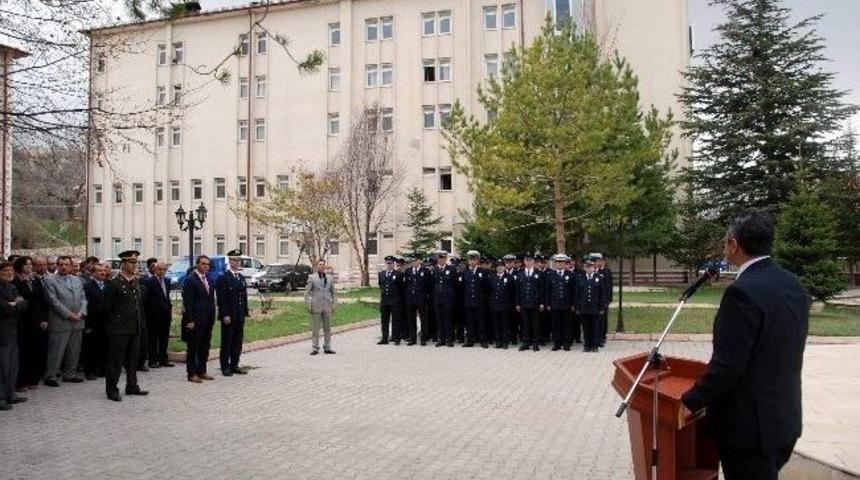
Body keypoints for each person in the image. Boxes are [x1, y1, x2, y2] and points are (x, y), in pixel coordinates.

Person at [682, 209, 809, 480]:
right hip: (784, 422)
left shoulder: (741, 292)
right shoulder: (794, 284)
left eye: (724, 242)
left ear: (734, 244)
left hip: (748, 432)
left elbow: (727, 366)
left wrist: (690, 401)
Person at [101, 251, 149, 402]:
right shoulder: (114, 283)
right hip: (119, 330)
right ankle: (112, 389)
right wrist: (113, 325)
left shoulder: (135, 283)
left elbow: (138, 306)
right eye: (131, 262)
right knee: (116, 361)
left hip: (134, 328)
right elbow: (105, 308)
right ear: (123, 264)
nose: (135, 265)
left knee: (132, 360)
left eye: (136, 262)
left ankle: (132, 386)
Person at [42, 255, 87, 386]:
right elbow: (53, 301)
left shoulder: (77, 279)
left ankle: (70, 374)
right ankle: (50, 375)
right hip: (61, 320)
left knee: (74, 350)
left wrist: (82, 312)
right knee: (56, 351)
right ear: (57, 265)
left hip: (78, 320)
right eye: (61, 264)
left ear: (71, 266)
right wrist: (69, 314)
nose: (63, 267)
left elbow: (83, 298)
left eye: (66, 264)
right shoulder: (50, 280)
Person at [12, 256, 49, 390]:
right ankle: (21, 381)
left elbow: (43, 300)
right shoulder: (15, 281)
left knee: (36, 350)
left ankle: (33, 378)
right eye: (26, 264)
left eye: (30, 264)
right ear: (20, 266)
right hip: (23, 321)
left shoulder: (36, 280)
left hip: (37, 320)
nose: (29, 267)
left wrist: (44, 319)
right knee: (23, 351)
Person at [181, 255, 216, 383]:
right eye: (203, 263)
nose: (206, 266)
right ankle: (191, 373)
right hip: (195, 319)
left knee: (204, 346)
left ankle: (202, 370)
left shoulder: (209, 279)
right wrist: (190, 320)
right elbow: (188, 302)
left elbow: (210, 299)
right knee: (193, 347)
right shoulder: (190, 280)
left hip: (207, 318)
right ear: (197, 264)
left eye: (207, 264)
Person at [216, 251, 250, 374]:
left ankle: (234, 365)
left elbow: (243, 296)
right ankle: (225, 366)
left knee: (237, 342)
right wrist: (224, 314)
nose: (237, 263)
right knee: (227, 341)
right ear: (230, 261)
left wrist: (245, 312)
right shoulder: (223, 277)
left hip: (239, 314)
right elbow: (222, 298)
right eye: (234, 260)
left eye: (238, 260)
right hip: (229, 315)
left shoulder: (240, 277)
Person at [0, 261, 28, 411]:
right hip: (2, 332)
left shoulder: (12, 286)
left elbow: (24, 304)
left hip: (13, 330)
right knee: (2, 367)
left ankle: (10, 393)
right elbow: (3, 308)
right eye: (5, 270)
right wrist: (13, 304)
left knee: (12, 365)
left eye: (11, 270)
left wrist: (14, 304)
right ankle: (1, 397)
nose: (9, 273)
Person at [143, 261, 173, 369]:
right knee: (153, 338)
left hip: (165, 314)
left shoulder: (167, 281)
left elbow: (166, 297)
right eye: (159, 269)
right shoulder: (149, 281)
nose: (161, 272)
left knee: (164, 338)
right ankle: (153, 360)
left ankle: (163, 359)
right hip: (154, 315)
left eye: (164, 270)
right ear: (155, 270)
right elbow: (147, 299)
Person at [81, 263, 108, 380]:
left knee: (104, 346)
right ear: (93, 273)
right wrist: (87, 325)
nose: (102, 273)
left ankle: (102, 369)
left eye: (103, 270)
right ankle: (90, 371)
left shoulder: (108, 285)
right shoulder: (87, 286)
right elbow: (86, 306)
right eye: (99, 271)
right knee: (91, 348)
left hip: (106, 322)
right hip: (93, 322)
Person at [305, 258, 337, 355]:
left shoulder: (330, 278)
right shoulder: (312, 277)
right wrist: (308, 305)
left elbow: (333, 292)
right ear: (316, 266)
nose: (322, 266)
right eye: (320, 264)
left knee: (327, 329)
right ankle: (315, 348)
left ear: (325, 266)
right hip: (316, 306)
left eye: (323, 264)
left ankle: (327, 347)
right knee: (316, 329)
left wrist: (334, 304)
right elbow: (307, 293)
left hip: (327, 306)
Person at [545, 254, 576, 351]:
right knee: (555, 325)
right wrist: (548, 303)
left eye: (562, 262)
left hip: (566, 304)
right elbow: (547, 291)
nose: (560, 264)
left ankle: (566, 343)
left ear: (565, 263)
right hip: (554, 304)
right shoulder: (550, 275)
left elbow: (573, 291)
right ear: (555, 263)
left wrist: (573, 304)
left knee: (567, 325)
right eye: (558, 262)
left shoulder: (570, 275)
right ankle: (556, 344)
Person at [515, 253, 544, 352]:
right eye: (526, 260)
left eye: (530, 260)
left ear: (533, 261)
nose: (528, 262)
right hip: (524, 303)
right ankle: (526, 342)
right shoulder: (520, 274)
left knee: (535, 324)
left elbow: (541, 289)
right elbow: (518, 290)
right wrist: (518, 303)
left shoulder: (538, 273)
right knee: (525, 324)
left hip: (535, 303)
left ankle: (535, 343)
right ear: (524, 261)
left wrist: (541, 303)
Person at [460, 250, 490, 348]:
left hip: (479, 301)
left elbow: (487, 287)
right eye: (470, 259)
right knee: (469, 322)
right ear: (468, 261)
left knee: (481, 321)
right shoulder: (465, 272)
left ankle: (483, 340)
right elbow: (462, 287)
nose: (472, 262)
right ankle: (470, 340)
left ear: (478, 260)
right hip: (468, 301)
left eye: (474, 259)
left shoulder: (483, 271)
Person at [403, 255, 431, 346]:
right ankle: (412, 338)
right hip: (411, 299)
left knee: (423, 319)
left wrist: (426, 296)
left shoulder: (425, 271)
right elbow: (406, 285)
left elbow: (428, 285)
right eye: (412, 261)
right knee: (411, 319)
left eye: (415, 260)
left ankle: (423, 339)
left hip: (421, 299)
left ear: (419, 261)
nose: (414, 262)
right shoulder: (408, 271)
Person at [574, 260, 601, 352]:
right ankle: (587, 345)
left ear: (594, 268)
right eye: (587, 267)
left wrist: (602, 307)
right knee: (586, 327)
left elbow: (602, 293)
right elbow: (577, 294)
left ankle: (595, 345)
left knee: (595, 327)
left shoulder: (599, 278)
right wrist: (577, 307)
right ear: (584, 268)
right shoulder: (580, 278)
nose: (589, 269)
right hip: (584, 307)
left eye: (591, 267)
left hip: (595, 307)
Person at [377, 255, 405, 345]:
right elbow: (381, 285)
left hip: (395, 300)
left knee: (396, 320)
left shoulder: (398, 274)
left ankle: (396, 338)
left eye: (391, 263)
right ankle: (384, 338)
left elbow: (401, 288)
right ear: (385, 263)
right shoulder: (381, 274)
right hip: (385, 301)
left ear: (393, 264)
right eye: (388, 263)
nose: (389, 265)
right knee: (384, 320)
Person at [431, 251, 457, 347]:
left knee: (448, 319)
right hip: (437, 298)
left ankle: (449, 339)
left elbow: (455, 284)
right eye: (439, 258)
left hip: (447, 299)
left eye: (443, 258)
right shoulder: (434, 269)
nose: (441, 260)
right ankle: (441, 339)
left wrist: (452, 296)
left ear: (446, 259)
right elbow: (431, 284)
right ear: (437, 259)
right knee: (439, 320)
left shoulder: (451, 269)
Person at [487, 260, 515, 349]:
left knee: (505, 325)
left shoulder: (509, 277)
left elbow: (512, 292)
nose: (499, 267)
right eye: (498, 266)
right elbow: (489, 291)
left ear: (504, 267)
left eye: (501, 265)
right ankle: (498, 341)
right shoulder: (492, 277)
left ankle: (505, 342)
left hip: (505, 306)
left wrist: (510, 304)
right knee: (496, 324)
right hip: (495, 305)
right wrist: (491, 302)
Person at [595, 254, 613, 347]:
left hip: (604, 299)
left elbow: (609, 286)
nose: (599, 262)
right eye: (598, 261)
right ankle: (595, 337)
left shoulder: (607, 271)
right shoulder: (594, 271)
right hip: (595, 300)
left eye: (601, 261)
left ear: (604, 262)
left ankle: (602, 337)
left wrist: (609, 299)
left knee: (603, 319)